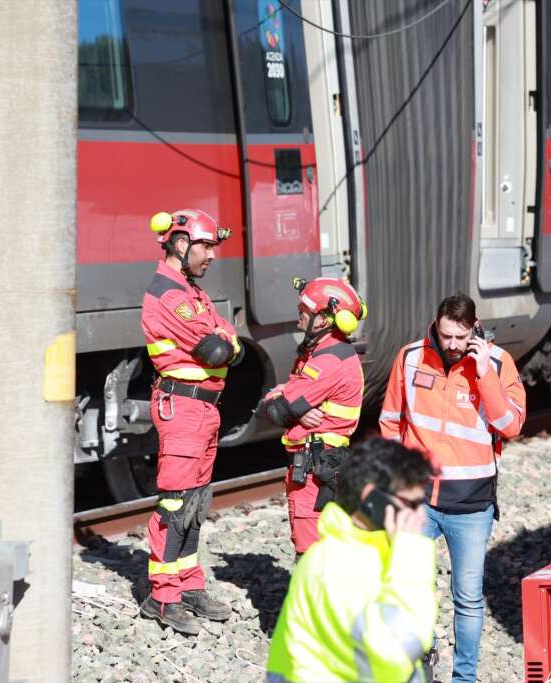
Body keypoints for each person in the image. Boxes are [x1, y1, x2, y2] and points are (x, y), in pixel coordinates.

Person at [379, 293, 526, 683]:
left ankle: (464, 677)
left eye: (462, 337)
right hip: (418, 501)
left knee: (468, 599)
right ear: (437, 325)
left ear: (475, 330)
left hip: (471, 505)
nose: (453, 345)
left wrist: (485, 376)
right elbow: (390, 420)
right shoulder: (409, 358)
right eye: (447, 336)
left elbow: (510, 425)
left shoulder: (497, 363)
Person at [139, 209, 244, 634]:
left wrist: (228, 342)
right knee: (176, 502)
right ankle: (161, 596)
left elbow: (231, 339)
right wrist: (227, 343)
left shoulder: (191, 292)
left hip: (202, 410)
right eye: (205, 246)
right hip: (182, 409)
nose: (212, 256)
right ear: (180, 244)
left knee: (196, 500)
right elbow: (217, 350)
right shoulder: (170, 295)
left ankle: (188, 582)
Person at [266, 437, 438, 683]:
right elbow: (398, 653)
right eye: (410, 503)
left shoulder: (366, 551)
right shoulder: (338, 566)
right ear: (372, 498)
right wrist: (412, 556)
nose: (420, 516)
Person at [261, 277, 367, 554]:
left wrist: (284, 402)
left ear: (323, 320)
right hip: (323, 464)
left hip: (314, 468)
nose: (299, 310)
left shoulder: (327, 361)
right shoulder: (323, 352)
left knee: (310, 551)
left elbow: (277, 410)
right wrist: (289, 402)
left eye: (305, 309)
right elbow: (284, 397)